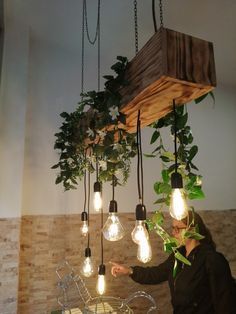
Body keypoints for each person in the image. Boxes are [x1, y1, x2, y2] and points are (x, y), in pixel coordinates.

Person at [110, 211, 236, 314]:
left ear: (192, 229)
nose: (173, 232)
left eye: (178, 228)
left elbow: (225, 302)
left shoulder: (212, 259)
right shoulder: (178, 255)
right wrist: (130, 270)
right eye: (173, 228)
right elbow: (157, 273)